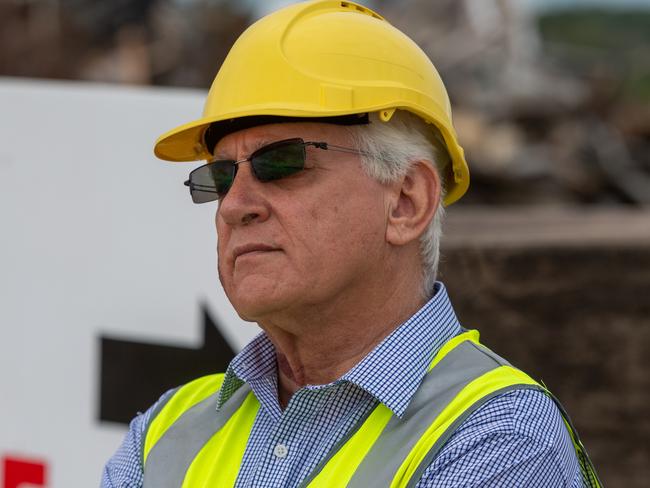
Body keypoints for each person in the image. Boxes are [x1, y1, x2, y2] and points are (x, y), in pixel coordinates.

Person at [102, 1, 601, 486]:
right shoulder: (165, 429)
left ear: (407, 201)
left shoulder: (499, 440)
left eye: (282, 163)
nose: (235, 205)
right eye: (222, 175)